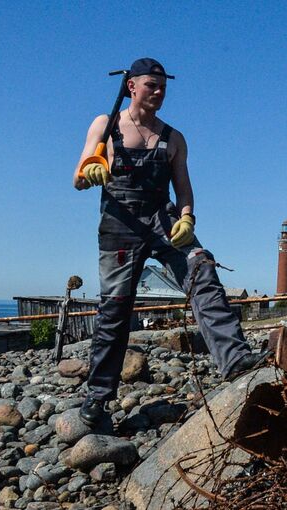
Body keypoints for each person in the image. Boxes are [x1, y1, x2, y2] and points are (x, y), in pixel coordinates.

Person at [73, 58, 267, 426]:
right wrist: (91, 170)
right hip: (120, 224)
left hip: (163, 219)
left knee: (202, 270)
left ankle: (235, 359)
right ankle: (97, 399)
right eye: (152, 85)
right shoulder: (106, 124)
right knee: (114, 311)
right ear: (131, 86)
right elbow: (78, 178)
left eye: (163, 86)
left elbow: (184, 188)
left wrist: (188, 218)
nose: (159, 92)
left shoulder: (173, 137)